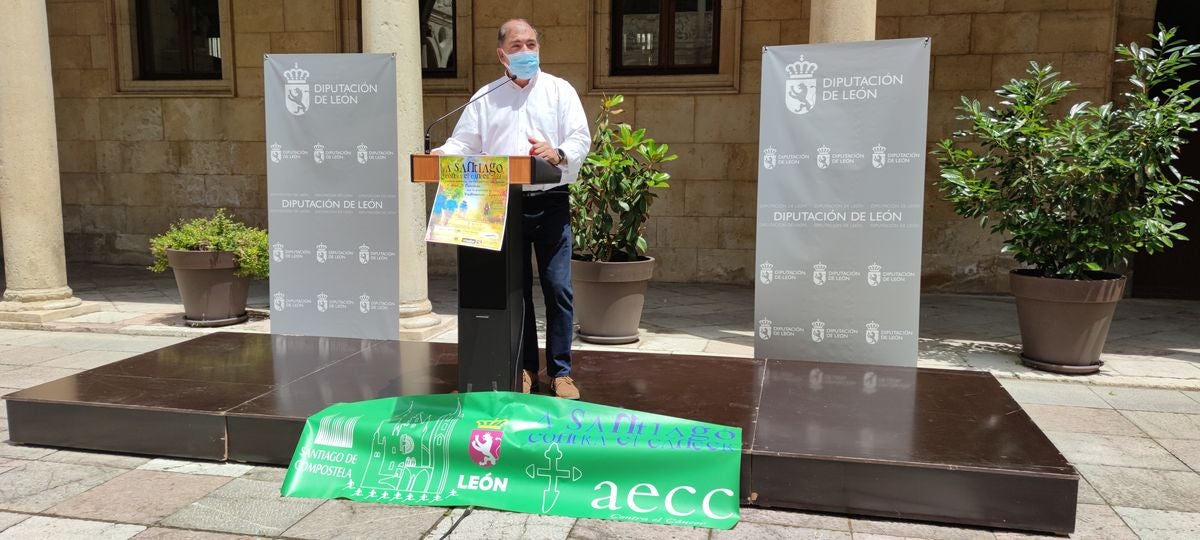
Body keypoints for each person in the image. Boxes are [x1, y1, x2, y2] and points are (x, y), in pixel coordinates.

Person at [431, 19, 590, 399]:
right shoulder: (487, 96)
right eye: (517, 46)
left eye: (531, 44)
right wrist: (441, 156)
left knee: (558, 289)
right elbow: (464, 142)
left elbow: (580, 137)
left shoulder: (559, 91)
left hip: (550, 202)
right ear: (502, 54)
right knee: (515, 293)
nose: (526, 52)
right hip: (502, 205)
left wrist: (559, 153)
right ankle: (523, 368)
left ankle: (561, 371)